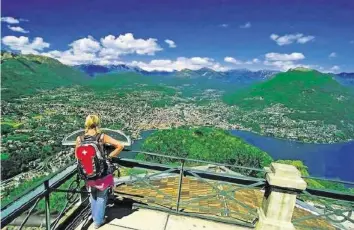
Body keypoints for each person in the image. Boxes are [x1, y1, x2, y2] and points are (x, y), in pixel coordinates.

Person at [75, 115, 124, 228]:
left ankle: (95, 216)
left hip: (87, 172)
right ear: (97, 123)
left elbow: (77, 156)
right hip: (102, 172)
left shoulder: (79, 139)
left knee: (93, 194)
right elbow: (120, 145)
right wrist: (109, 156)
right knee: (102, 195)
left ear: (86, 124)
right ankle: (99, 221)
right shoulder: (101, 137)